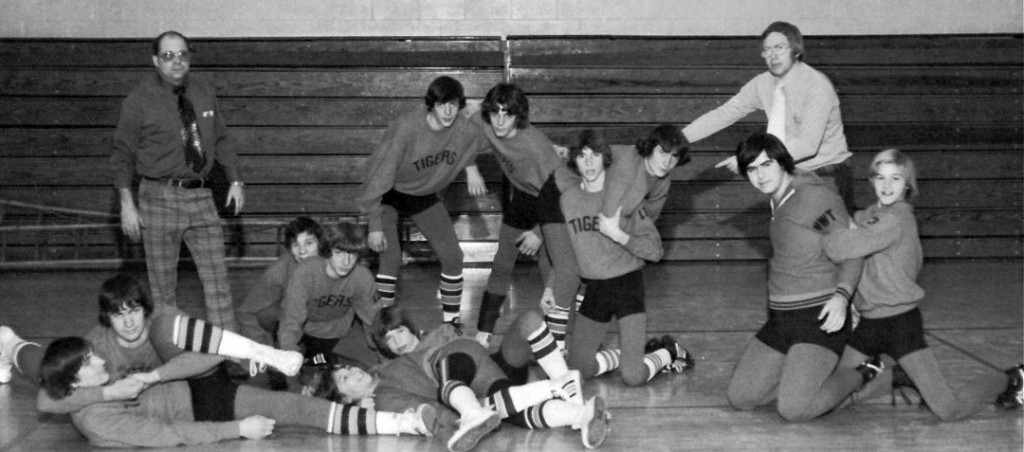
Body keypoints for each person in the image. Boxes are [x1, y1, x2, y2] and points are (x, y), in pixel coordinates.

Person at [820, 149, 1024, 419]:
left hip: (901, 324)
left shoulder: (897, 219)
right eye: (880, 178)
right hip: (869, 325)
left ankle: (1011, 379)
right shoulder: (866, 216)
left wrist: (834, 231)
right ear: (871, 181)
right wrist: (846, 228)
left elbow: (840, 247)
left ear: (907, 184)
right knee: (834, 401)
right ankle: (895, 376)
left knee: (948, 410)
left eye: (896, 178)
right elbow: (852, 232)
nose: (887, 185)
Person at [36, 336, 435, 448]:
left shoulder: (88, 393)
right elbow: (171, 435)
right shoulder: (98, 422)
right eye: (89, 362)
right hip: (207, 408)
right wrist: (239, 430)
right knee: (296, 408)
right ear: (73, 381)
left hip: (192, 386)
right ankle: (399, 422)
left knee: (220, 348)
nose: (100, 362)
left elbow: (55, 396)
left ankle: (350, 402)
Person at [308, 305, 609, 451]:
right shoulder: (385, 381)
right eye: (389, 338)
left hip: (469, 365)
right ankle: (582, 413)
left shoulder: (430, 344)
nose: (397, 341)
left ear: (410, 328)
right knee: (513, 414)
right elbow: (426, 413)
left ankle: (557, 384)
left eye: (399, 331)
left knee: (459, 387)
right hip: (484, 381)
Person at [725, 133, 863, 422]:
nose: (760, 176)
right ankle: (804, 377)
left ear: (783, 162)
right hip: (781, 320)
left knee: (793, 410)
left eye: (766, 165)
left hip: (818, 319)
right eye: (751, 169)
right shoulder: (779, 197)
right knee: (741, 397)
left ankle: (865, 374)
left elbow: (853, 249)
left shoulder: (815, 197)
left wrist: (842, 298)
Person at [111, 30, 243, 331]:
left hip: (201, 195)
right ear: (156, 60)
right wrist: (126, 205)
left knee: (218, 283)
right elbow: (121, 154)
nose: (176, 61)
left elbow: (221, 138)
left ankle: (229, 354)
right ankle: (168, 350)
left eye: (182, 54)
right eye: (168, 56)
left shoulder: (203, 90)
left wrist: (236, 180)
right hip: (158, 197)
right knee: (163, 289)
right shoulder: (139, 99)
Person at [28, 274, 303, 416]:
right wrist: (108, 394)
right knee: (36, 365)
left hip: (180, 392)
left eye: (133, 311)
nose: (129, 323)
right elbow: (44, 401)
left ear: (145, 309)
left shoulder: (164, 319)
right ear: (106, 319)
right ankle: (8, 341)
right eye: (118, 315)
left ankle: (259, 351)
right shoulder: (96, 346)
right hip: (108, 394)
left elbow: (210, 355)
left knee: (169, 326)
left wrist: (155, 376)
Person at [559, 130, 692, 387]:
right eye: (582, 156)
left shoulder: (626, 202)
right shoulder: (568, 200)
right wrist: (553, 286)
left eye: (595, 156)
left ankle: (667, 351)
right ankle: (625, 356)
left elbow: (655, 251)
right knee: (578, 371)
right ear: (574, 160)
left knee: (633, 377)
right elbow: (566, 248)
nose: (589, 163)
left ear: (606, 159)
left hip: (627, 285)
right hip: (595, 289)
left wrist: (620, 235)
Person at [357, 76, 491, 323]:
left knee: (453, 257)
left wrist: (472, 168)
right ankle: (383, 325)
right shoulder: (407, 128)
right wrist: (374, 225)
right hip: (389, 193)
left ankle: (452, 322)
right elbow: (377, 175)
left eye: (453, 104)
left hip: (423, 196)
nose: (448, 111)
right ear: (431, 105)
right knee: (391, 257)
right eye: (442, 105)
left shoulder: (464, 130)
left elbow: (494, 138)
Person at [684, 21, 855, 213]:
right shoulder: (763, 84)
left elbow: (808, 145)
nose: (772, 55)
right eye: (767, 50)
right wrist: (679, 139)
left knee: (832, 240)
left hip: (825, 174)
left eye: (779, 48)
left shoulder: (816, 86)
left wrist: (754, 159)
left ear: (796, 50)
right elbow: (724, 113)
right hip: (788, 173)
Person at [470, 83, 581, 350]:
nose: (499, 121)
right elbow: (462, 138)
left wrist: (539, 232)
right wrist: (470, 169)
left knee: (554, 272)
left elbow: (565, 195)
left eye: (506, 114)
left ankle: (566, 339)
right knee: (501, 264)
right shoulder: (483, 122)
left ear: (518, 117)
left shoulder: (536, 147)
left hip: (553, 201)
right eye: (495, 113)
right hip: (523, 197)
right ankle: (483, 334)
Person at [277, 222, 382, 370]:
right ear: (327, 251)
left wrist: (384, 355)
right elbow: (292, 319)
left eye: (352, 254)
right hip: (305, 332)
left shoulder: (362, 276)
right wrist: (289, 352)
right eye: (339, 253)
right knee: (299, 372)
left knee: (368, 370)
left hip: (337, 333)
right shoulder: (305, 272)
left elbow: (373, 319)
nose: (346, 262)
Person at [236, 216, 325, 348]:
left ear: (320, 243)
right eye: (296, 245)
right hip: (295, 320)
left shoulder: (336, 261)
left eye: (309, 243)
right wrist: (263, 349)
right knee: (266, 314)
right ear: (289, 249)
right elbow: (247, 311)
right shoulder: (282, 267)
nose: (302, 251)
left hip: (329, 319)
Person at [600, 124, 691, 222]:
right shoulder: (623, 155)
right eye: (662, 152)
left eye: (674, 156)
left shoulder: (662, 183)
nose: (667, 162)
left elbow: (646, 222)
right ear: (651, 147)